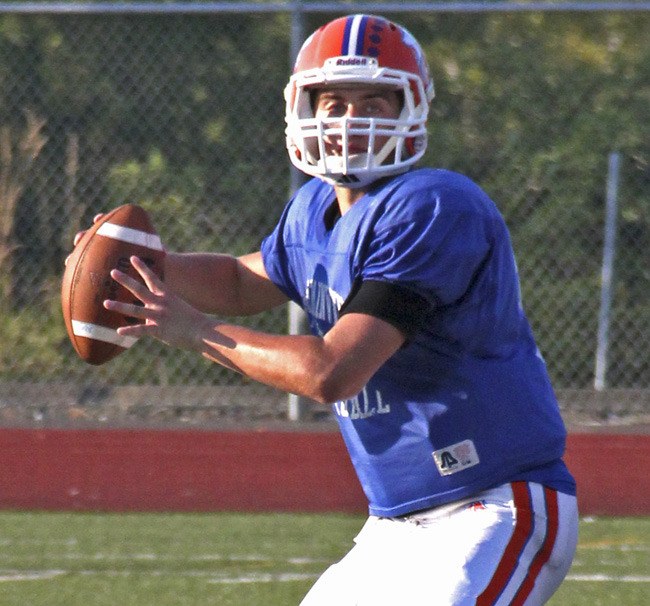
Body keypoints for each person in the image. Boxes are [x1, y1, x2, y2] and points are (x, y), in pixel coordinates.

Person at [77, 14, 579, 605]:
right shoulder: (312, 208)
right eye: (334, 102)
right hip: (392, 523)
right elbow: (241, 280)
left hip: (492, 505)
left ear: (411, 109)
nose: (352, 119)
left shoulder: (432, 206)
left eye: (374, 101)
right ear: (303, 109)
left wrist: (194, 331)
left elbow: (331, 371)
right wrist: (139, 265)